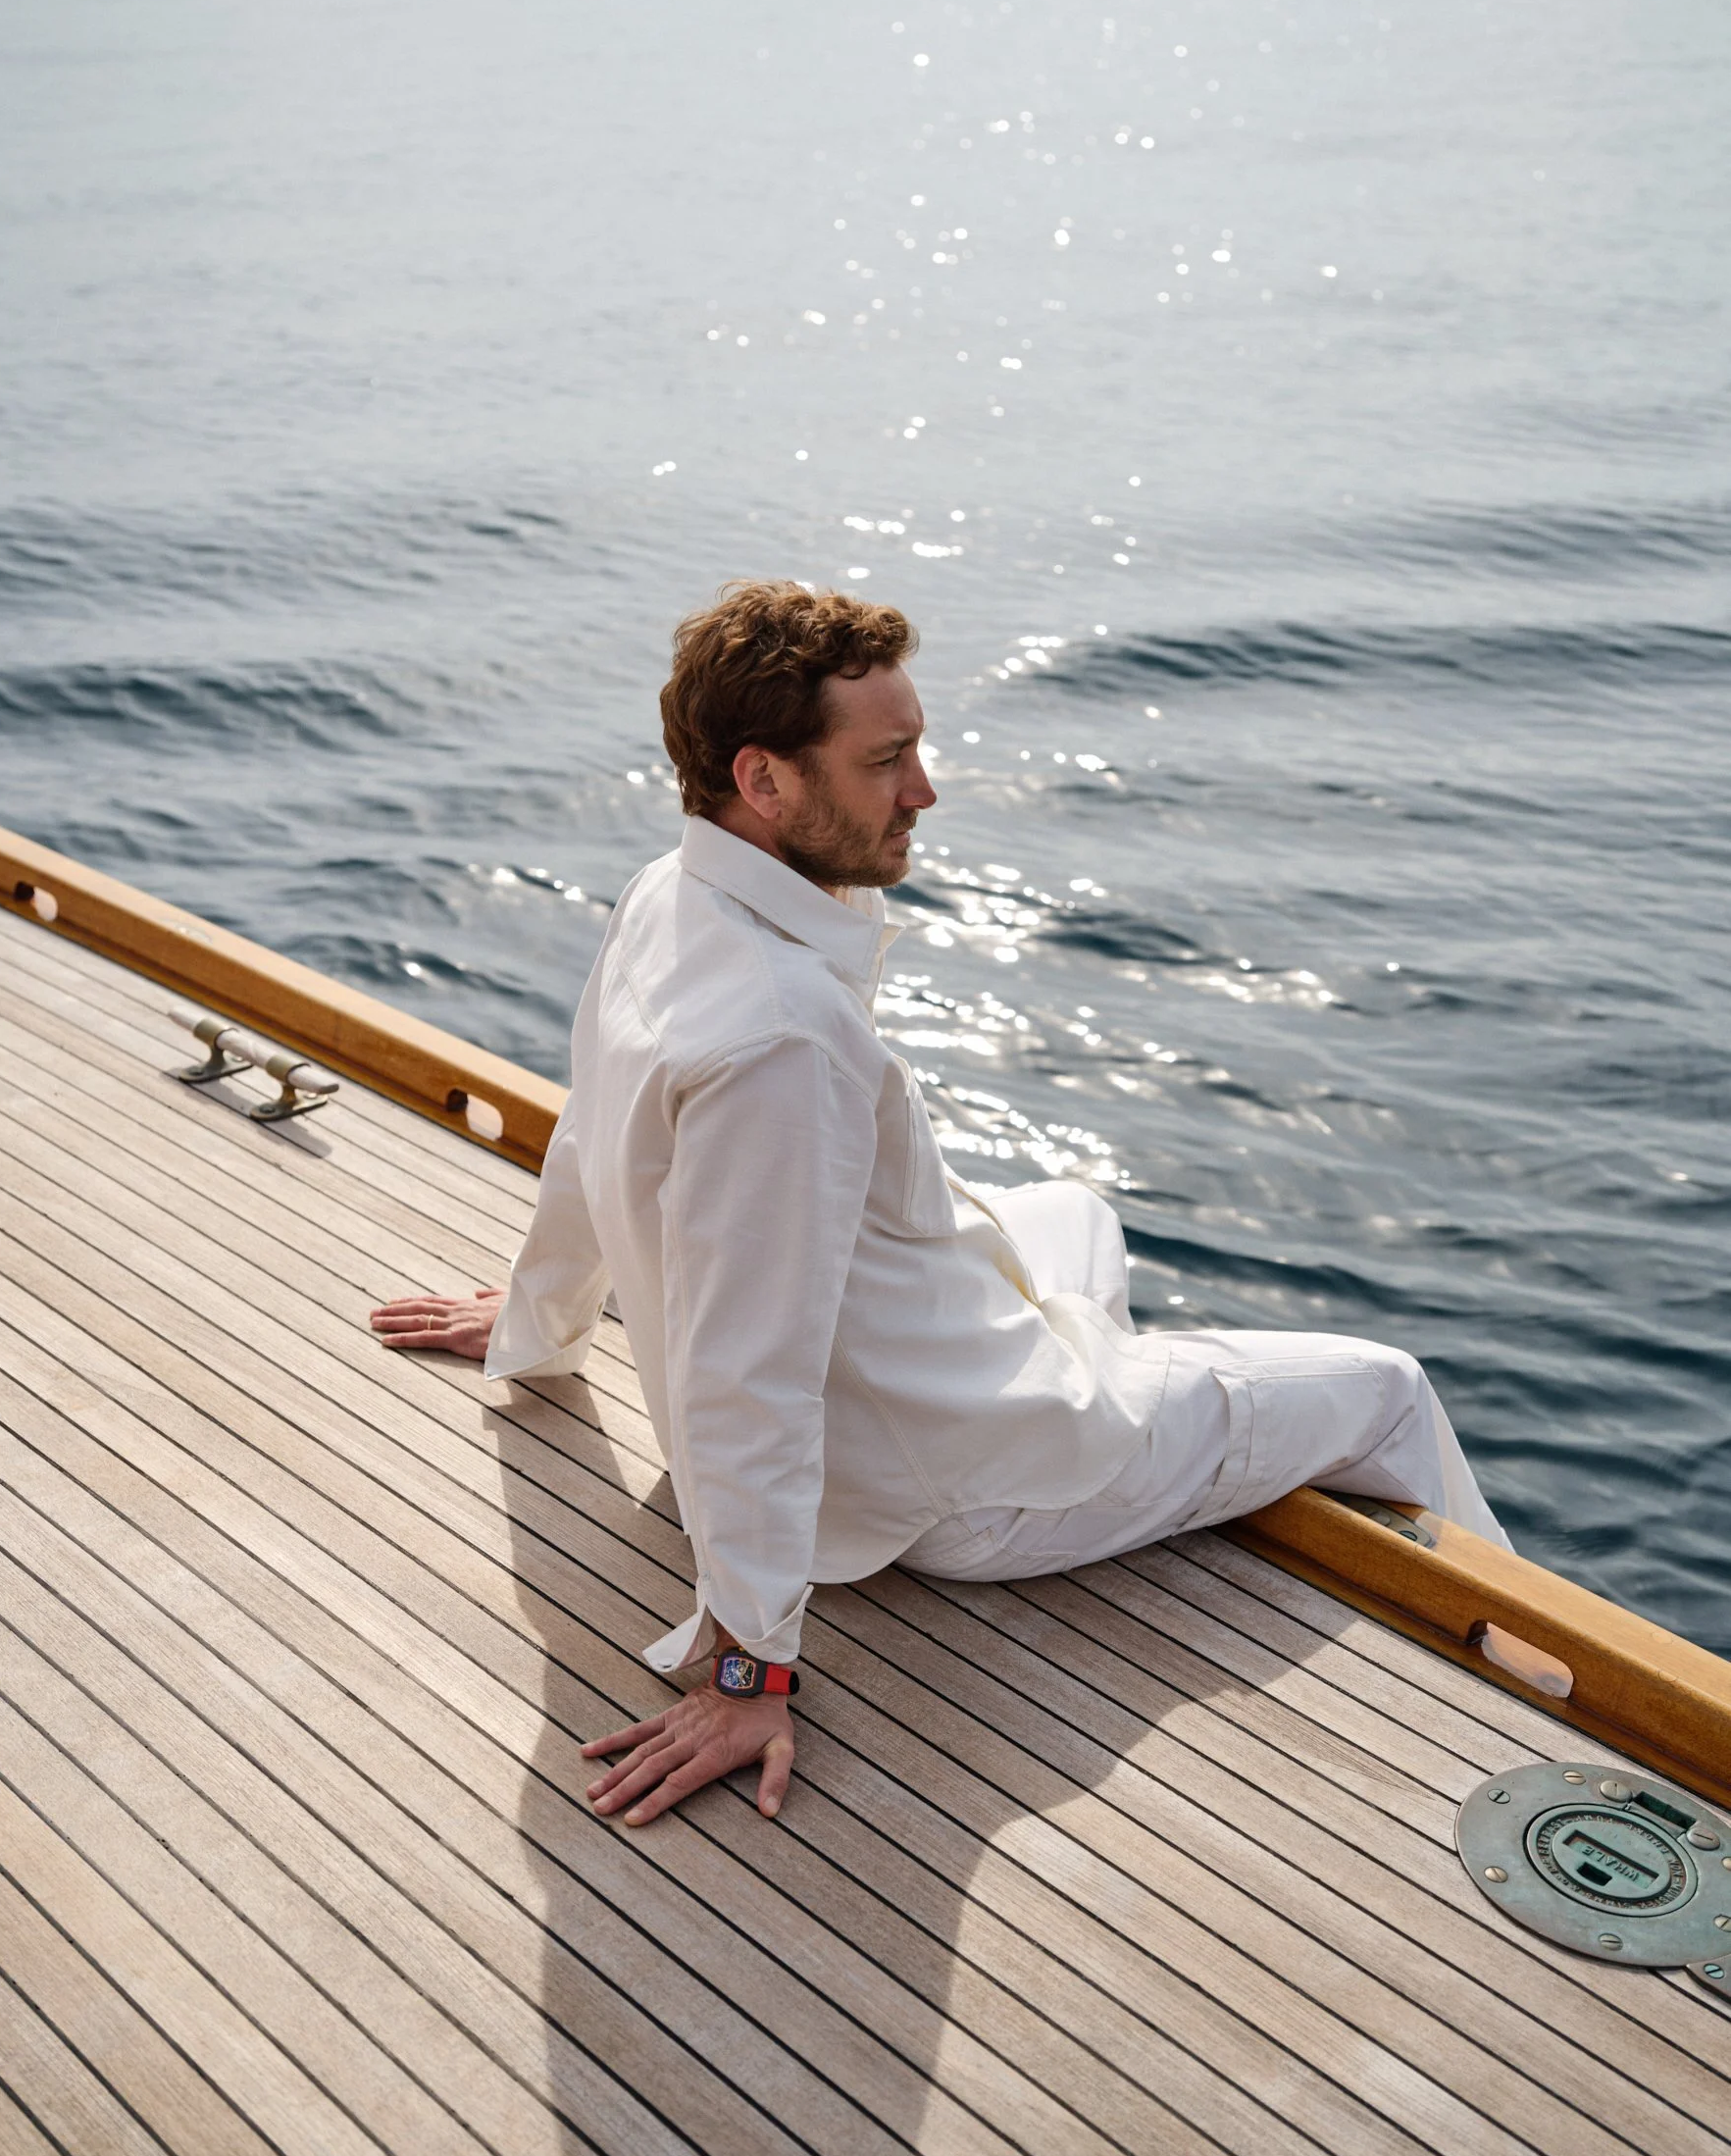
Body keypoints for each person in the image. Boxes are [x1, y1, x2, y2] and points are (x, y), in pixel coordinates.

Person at [371, 581, 1510, 1830]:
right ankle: (1531, 1717)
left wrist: (544, 1323)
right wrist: (749, 1672)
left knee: (1075, 1205)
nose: (923, 789)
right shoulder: (781, 1039)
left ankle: (1155, 1399)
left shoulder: (670, 895)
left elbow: (595, 1126)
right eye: (887, 760)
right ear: (764, 781)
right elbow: (751, 1372)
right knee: (1390, 1387)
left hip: (917, 1383)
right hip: (961, 1489)